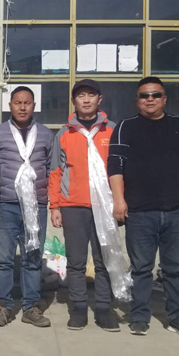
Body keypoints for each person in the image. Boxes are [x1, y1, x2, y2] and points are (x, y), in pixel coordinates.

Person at [108, 77, 179, 338]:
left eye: (155, 95)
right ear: (137, 100)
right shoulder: (125, 127)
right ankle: (139, 317)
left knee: (175, 268)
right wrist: (119, 200)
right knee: (141, 269)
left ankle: (178, 318)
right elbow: (115, 166)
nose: (150, 99)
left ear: (164, 99)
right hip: (139, 212)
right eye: (144, 95)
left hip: (177, 211)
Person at [49, 79, 120, 332]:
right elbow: (55, 172)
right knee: (76, 262)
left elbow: (121, 170)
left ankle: (103, 309)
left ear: (100, 99)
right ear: (74, 101)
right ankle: (78, 308)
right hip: (73, 206)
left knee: (104, 261)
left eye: (91, 95)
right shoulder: (64, 133)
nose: (86, 100)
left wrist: (121, 201)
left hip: (105, 206)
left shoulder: (112, 130)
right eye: (81, 96)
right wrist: (55, 206)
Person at [0, 86, 53, 328]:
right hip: (5, 204)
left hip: (36, 206)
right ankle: (3, 307)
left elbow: (51, 168)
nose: (22, 107)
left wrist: (50, 200)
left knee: (32, 258)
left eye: (27, 103)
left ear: (34, 106)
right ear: (10, 105)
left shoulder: (46, 134)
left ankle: (31, 307)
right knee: (3, 259)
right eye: (18, 102)